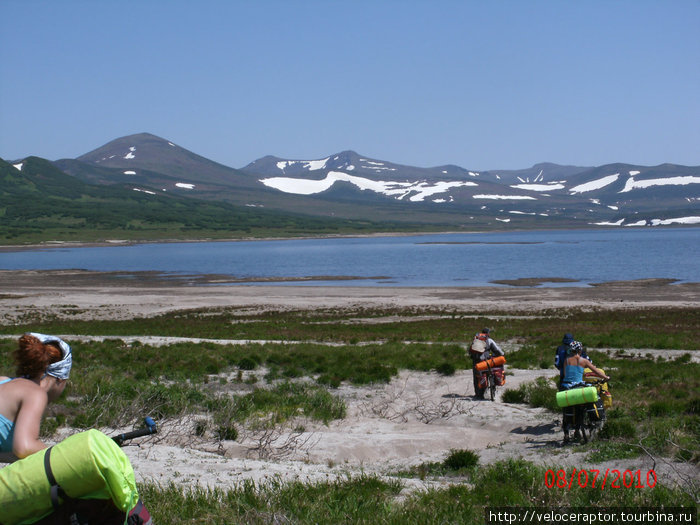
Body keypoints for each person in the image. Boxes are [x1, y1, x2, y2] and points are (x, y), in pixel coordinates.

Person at [0, 332, 72, 461]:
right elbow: (24, 447)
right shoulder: (35, 394)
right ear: (59, 379)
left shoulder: (3, 381)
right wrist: (62, 455)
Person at [469, 328, 504, 399]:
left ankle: (478, 394)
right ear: (488, 333)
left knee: (477, 377)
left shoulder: (476, 340)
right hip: (486, 362)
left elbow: (470, 351)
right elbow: (497, 350)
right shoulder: (489, 340)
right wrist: (502, 354)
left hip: (477, 362)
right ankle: (493, 385)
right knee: (491, 371)